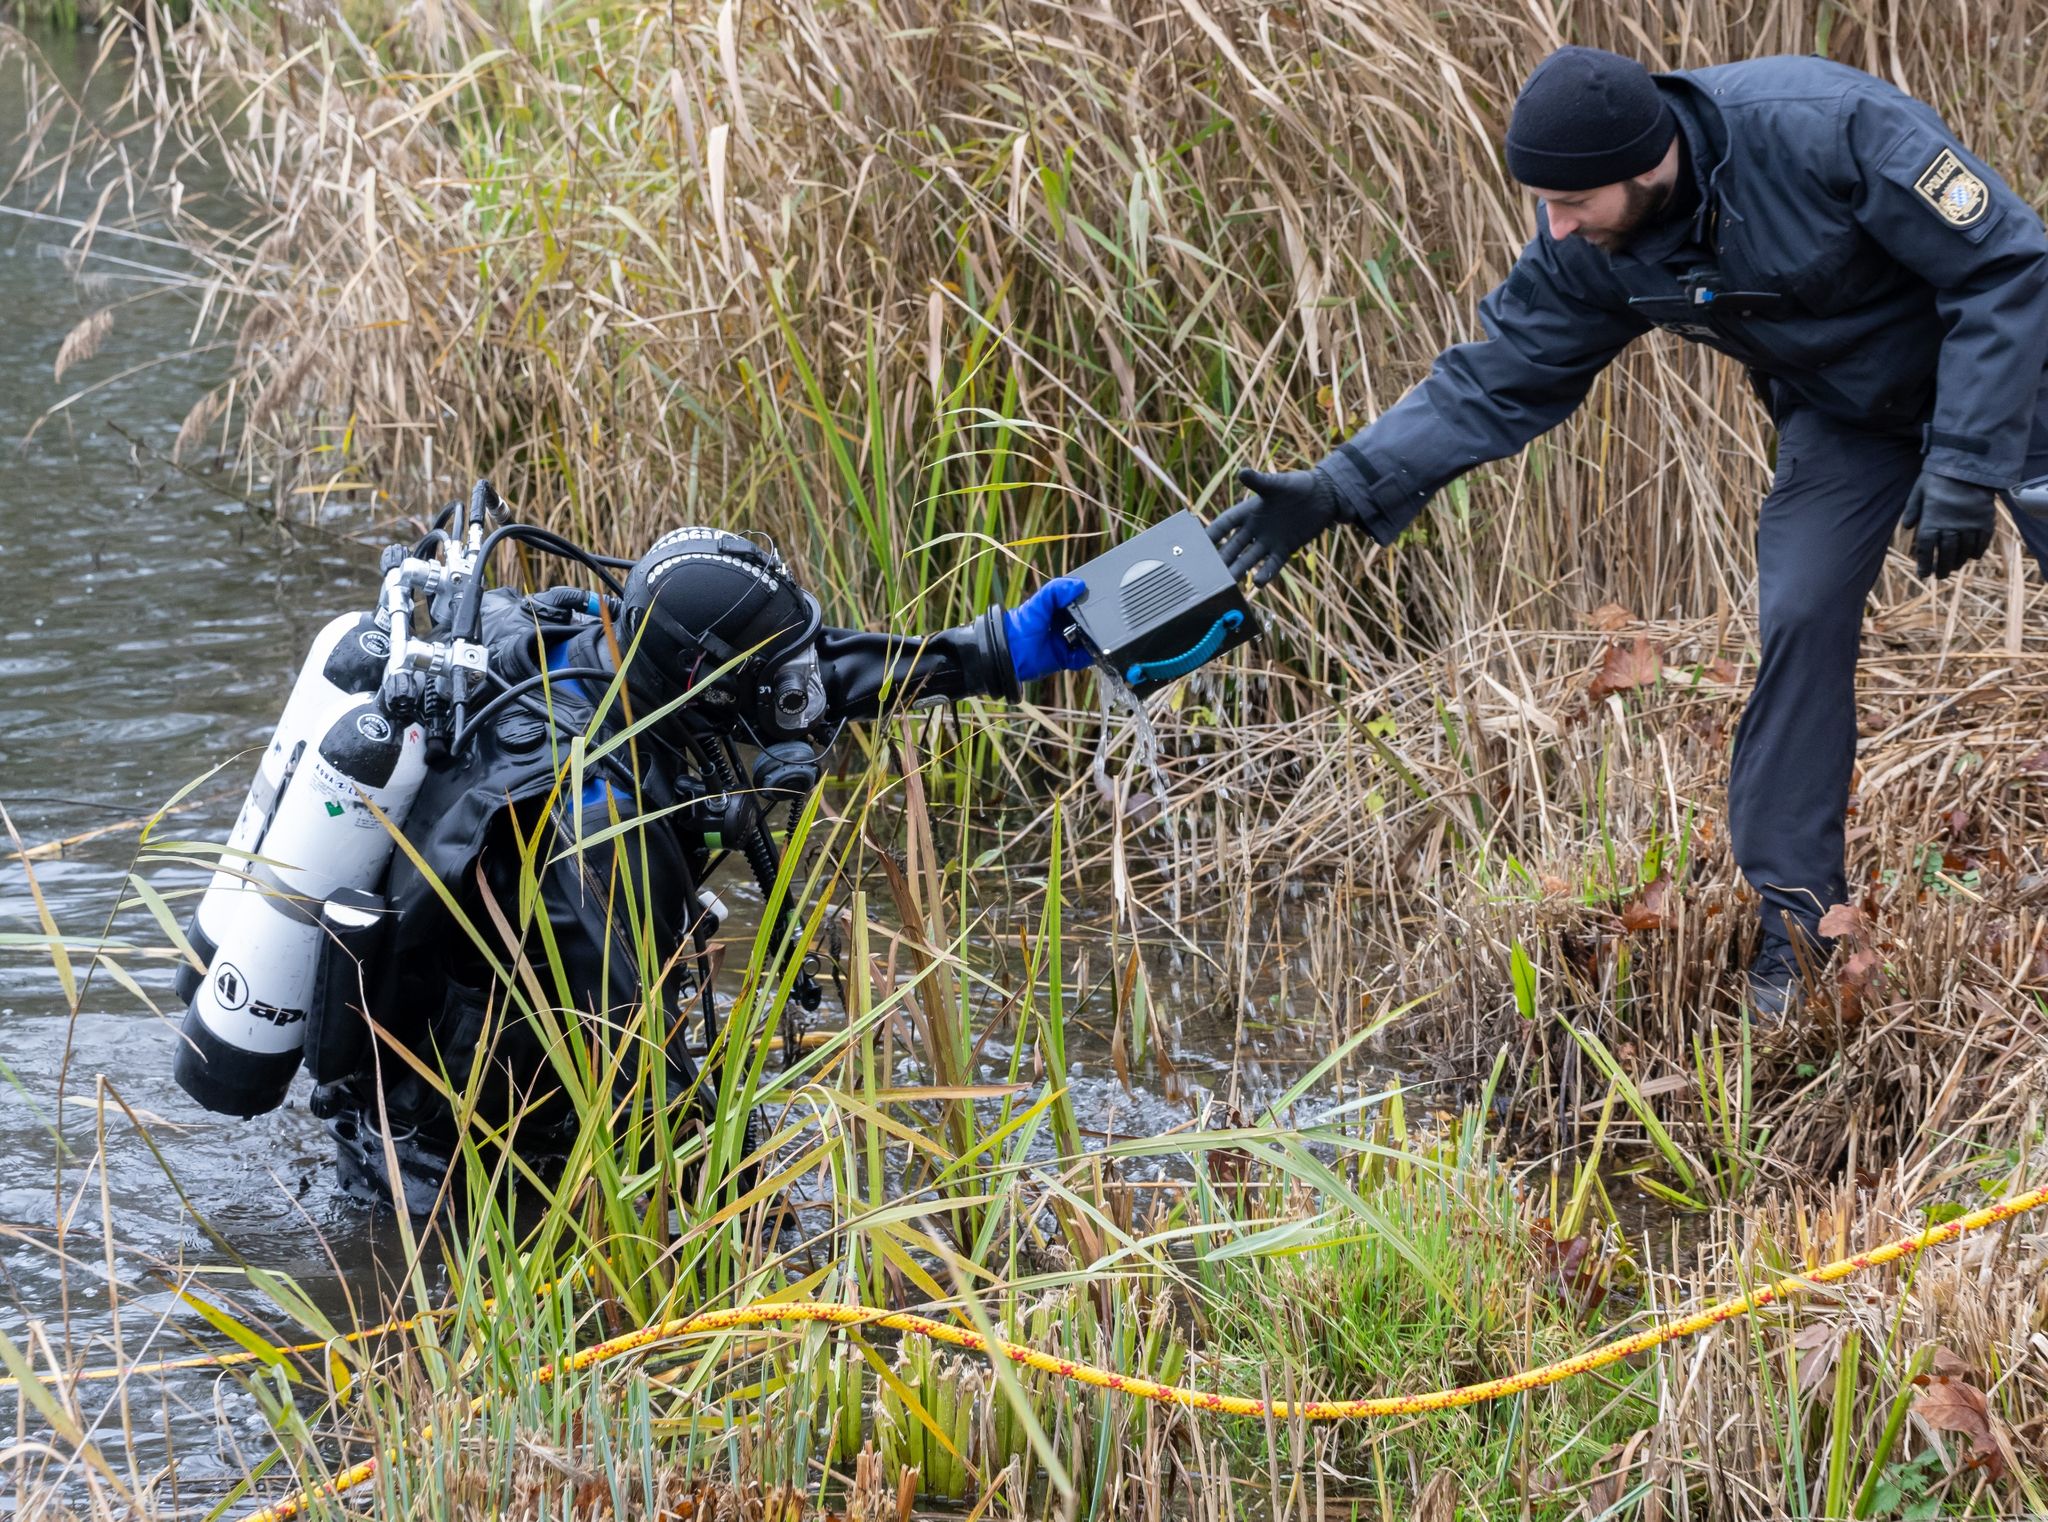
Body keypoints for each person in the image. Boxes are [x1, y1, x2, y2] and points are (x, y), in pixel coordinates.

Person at [1209, 46, 2048, 1013]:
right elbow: (1496, 376)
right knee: (1801, 616)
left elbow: (2006, 265)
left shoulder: (1825, 127)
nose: (1553, 226)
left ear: (1649, 168)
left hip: (2016, 380)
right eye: (1544, 202)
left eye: (1571, 202)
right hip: (1850, 418)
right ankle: (1799, 935)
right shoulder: (1588, 241)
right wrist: (1338, 487)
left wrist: (1965, 458)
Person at [312, 526, 1091, 1210]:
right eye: (767, 678)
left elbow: (795, 676)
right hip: (445, 1161)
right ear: (700, 683)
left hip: (449, 1047)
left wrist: (1000, 650)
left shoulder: (580, 643)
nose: (796, 691)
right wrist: (756, 1211)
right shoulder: (600, 826)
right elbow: (631, 1068)